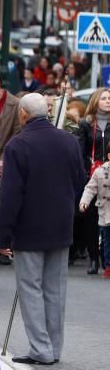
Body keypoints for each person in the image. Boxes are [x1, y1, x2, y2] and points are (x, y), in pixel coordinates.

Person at [0, 94, 85, 365]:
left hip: (29, 228)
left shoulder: (18, 145)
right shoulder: (69, 141)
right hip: (60, 225)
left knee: (30, 288)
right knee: (56, 289)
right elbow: (80, 180)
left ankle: (40, 348)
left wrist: (3, 235)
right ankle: (54, 349)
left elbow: (11, 195)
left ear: (23, 114)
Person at [75, 88, 109, 274]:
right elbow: (80, 151)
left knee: (108, 219)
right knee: (90, 219)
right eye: (104, 98)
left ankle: (107, 259)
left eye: (109, 98)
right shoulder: (85, 124)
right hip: (92, 176)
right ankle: (94, 258)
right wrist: (85, 170)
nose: (107, 101)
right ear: (96, 101)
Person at [78, 158, 110, 278]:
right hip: (105, 211)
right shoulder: (99, 172)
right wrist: (84, 202)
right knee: (107, 241)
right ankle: (108, 266)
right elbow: (90, 189)